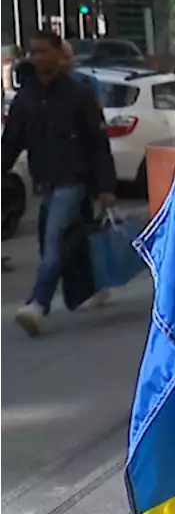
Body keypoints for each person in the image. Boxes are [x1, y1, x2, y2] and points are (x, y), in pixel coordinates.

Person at [0, 31, 117, 336]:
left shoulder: (77, 94)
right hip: (45, 181)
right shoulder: (26, 97)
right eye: (32, 53)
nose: (36, 58)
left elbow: (97, 142)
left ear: (56, 53)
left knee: (54, 240)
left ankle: (37, 305)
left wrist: (106, 187)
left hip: (74, 178)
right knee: (67, 241)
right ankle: (92, 287)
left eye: (42, 51)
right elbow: (12, 141)